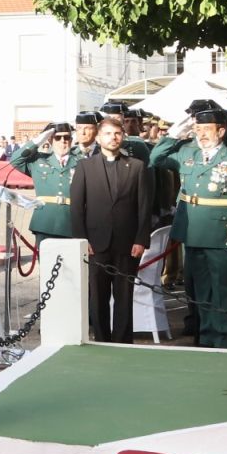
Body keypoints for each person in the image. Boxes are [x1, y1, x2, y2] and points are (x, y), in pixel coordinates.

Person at [152, 106, 227, 348]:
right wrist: (172, 136)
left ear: (221, 131)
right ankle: (206, 337)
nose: (202, 134)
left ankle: (224, 338)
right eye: (198, 129)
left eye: (207, 129)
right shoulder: (187, 154)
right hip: (193, 232)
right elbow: (155, 159)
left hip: (221, 233)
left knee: (223, 290)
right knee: (200, 290)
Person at [71, 117, 155, 344]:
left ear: (123, 137)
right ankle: (101, 339)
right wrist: (82, 240)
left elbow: (144, 207)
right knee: (97, 297)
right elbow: (77, 207)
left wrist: (141, 239)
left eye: (117, 133)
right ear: (98, 138)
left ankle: (123, 342)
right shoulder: (85, 167)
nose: (113, 138)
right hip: (95, 243)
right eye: (107, 133)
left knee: (124, 296)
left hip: (127, 244)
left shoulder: (136, 166)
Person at [10, 122, 80, 247]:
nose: (63, 141)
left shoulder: (81, 161)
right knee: (47, 259)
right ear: (50, 139)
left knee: (72, 259)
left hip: (73, 221)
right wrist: (37, 141)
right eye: (58, 137)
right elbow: (15, 160)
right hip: (45, 222)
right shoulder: (38, 160)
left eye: (67, 137)